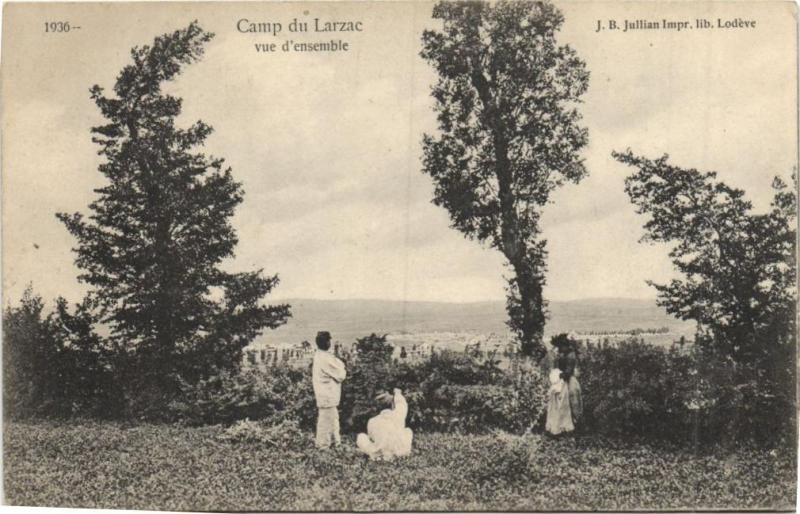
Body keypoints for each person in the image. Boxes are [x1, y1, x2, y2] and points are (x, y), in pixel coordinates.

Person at [356, 388, 413, 461]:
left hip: (381, 453)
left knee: (361, 437)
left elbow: (372, 438)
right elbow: (402, 404)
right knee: (407, 431)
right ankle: (398, 452)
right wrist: (397, 393)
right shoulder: (398, 414)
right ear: (392, 406)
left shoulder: (372, 421)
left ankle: (380, 454)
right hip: (400, 451)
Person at [312, 331, 347, 449]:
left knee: (330, 420)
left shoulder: (319, 356)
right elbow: (341, 374)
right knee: (327, 422)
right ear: (327, 342)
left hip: (324, 394)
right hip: (327, 395)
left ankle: (334, 443)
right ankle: (324, 445)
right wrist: (341, 364)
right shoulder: (325, 358)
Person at [545, 333, 583, 437]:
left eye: (561, 347)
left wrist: (559, 376)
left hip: (568, 379)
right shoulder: (561, 354)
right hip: (562, 379)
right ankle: (560, 427)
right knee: (559, 403)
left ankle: (574, 425)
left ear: (565, 345)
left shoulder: (571, 355)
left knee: (572, 399)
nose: (559, 349)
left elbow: (568, 372)